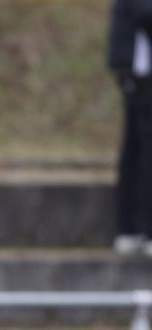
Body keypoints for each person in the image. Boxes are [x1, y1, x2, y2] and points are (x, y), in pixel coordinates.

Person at [108, 0, 152, 254]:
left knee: (137, 149)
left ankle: (133, 228)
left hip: (137, 73)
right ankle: (139, 228)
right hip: (138, 74)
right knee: (142, 152)